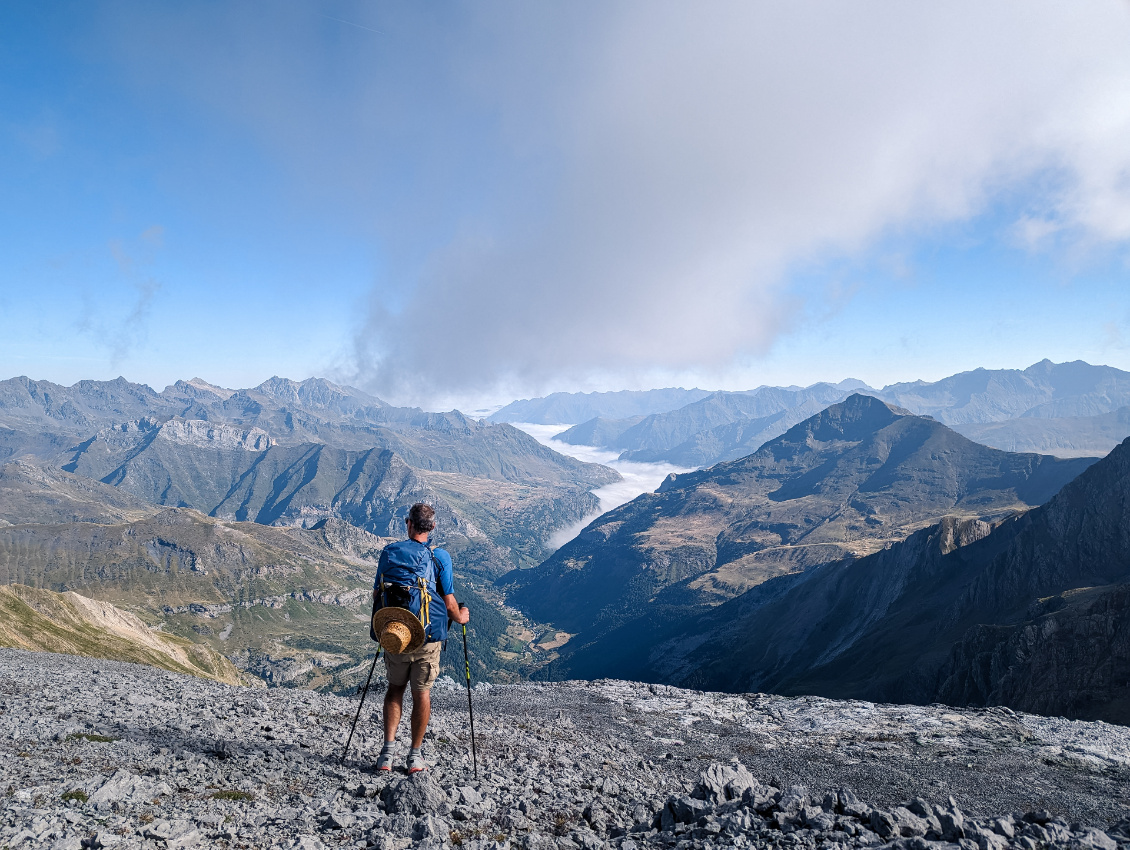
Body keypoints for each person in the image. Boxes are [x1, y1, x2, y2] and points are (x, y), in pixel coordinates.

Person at [372, 502, 469, 773]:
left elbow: (376, 594)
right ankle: (415, 756)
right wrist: (462, 616)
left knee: (394, 690)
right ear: (433, 527)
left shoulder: (389, 552)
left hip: (397, 634)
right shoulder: (440, 557)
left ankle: (387, 755)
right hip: (427, 638)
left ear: (408, 524)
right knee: (422, 693)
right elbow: (449, 604)